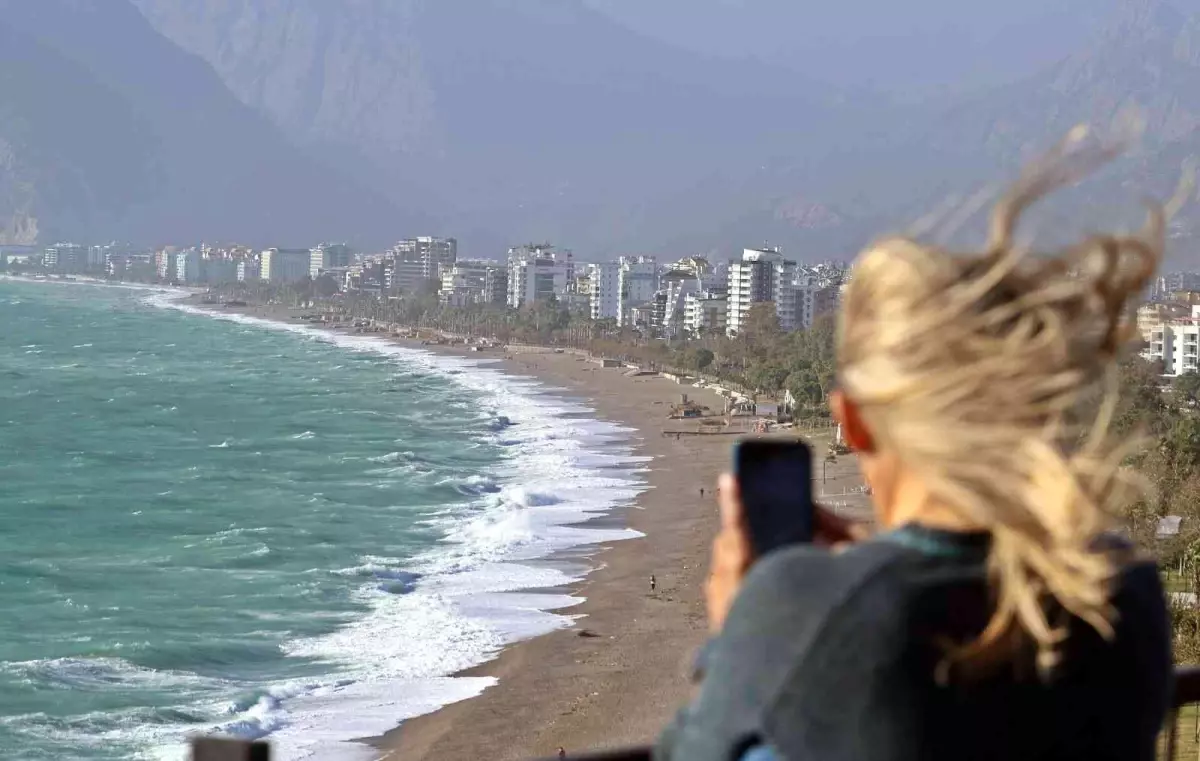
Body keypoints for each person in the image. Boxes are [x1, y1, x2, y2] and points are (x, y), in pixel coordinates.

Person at [656, 132, 1178, 761]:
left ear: (851, 421)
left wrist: (737, 634)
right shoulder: (1120, 592)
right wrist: (881, 563)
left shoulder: (806, 603)